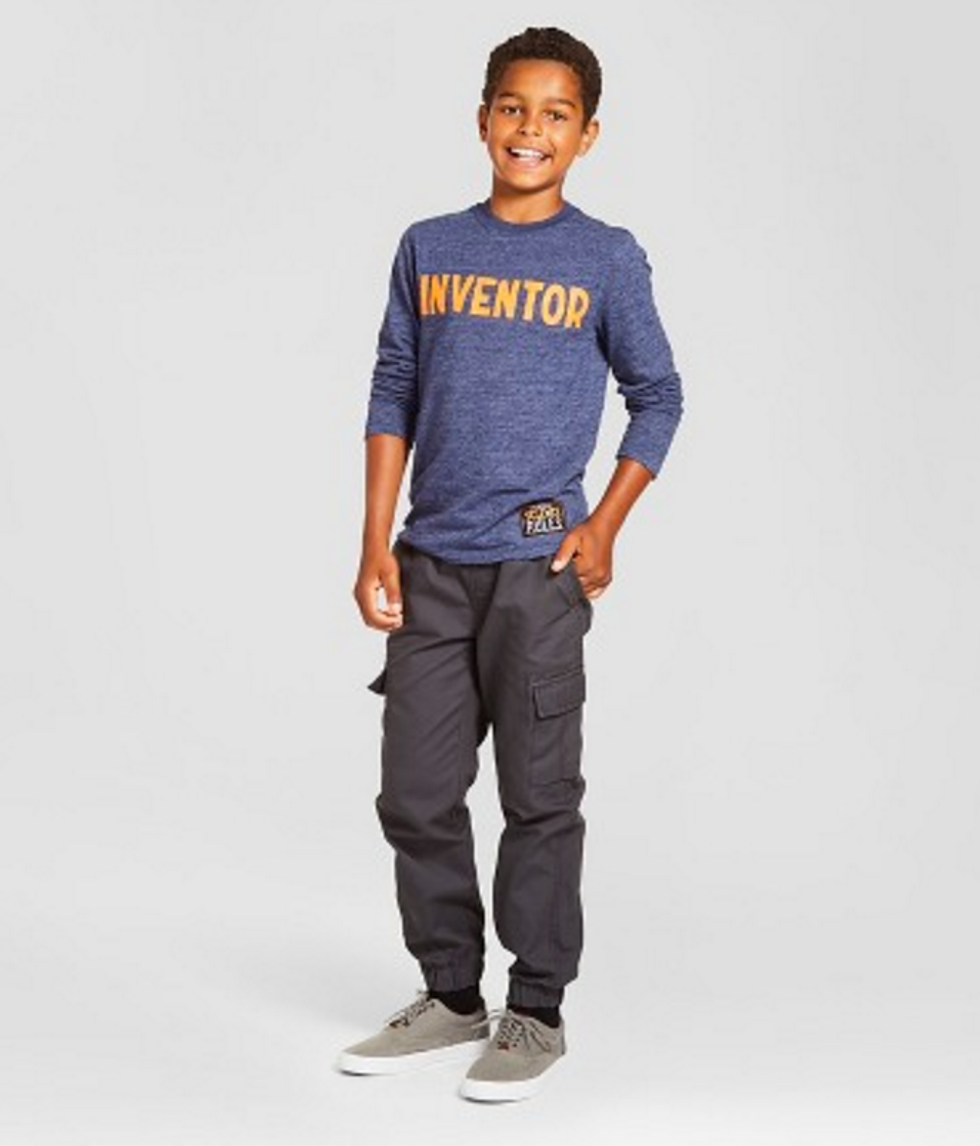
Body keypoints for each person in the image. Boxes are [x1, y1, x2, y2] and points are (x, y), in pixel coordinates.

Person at [337, 25, 684, 1102]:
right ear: (483, 117)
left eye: (554, 114)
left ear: (586, 135)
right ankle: (452, 995)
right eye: (512, 108)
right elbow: (393, 387)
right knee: (415, 794)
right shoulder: (428, 246)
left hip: (538, 572)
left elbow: (658, 395)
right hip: (430, 567)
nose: (530, 129)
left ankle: (535, 1010)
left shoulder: (604, 258)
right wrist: (373, 540)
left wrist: (605, 524)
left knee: (538, 797)